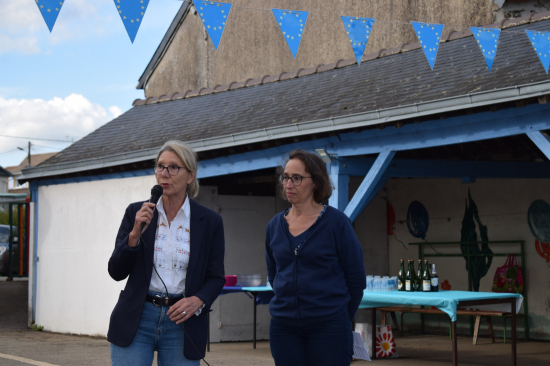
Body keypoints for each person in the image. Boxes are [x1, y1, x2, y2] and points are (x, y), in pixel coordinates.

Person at [107, 140, 225, 366]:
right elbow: (116, 271)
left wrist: (198, 300)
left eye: (173, 167)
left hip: (182, 321)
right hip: (137, 317)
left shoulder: (209, 221)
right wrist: (133, 236)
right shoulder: (137, 212)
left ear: (190, 176)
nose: (164, 173)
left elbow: (216, 277)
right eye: (160, 166)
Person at [265, 149, 366, 366]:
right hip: (284, 328)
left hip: (328, 327)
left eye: (297, 178)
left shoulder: (337, 223)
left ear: (316, 182)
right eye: (285, 177)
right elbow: (274, 275)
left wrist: (336, 316)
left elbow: (356, 278)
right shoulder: (274, 226)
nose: (288, 184)